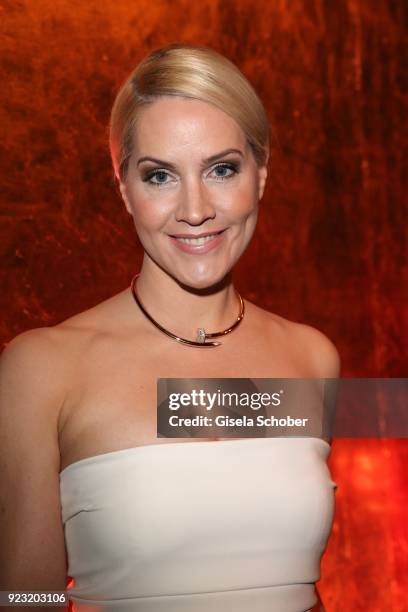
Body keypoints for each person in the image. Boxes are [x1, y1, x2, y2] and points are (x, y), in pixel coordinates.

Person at [0, 43, 340, 612]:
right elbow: (22, 595)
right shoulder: (43, 368)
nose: (196, 208)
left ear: (261, 175)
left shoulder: (312, 357)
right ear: (123, 189)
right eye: (159, 175)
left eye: (222, 169)